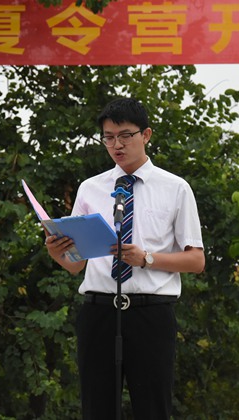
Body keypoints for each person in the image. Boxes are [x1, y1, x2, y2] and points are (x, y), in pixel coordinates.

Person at [45, 97, 205, 419]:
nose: (116, 145)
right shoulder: (91, 188)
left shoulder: (175, 188)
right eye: (108, 137)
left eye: (125, 136)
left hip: (151, 314)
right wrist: (57, 252)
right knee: (96, 409)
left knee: (153, 409)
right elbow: (76, 264)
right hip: (99, 312)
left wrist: (146, 259)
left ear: (145, 135)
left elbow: (196, 261)